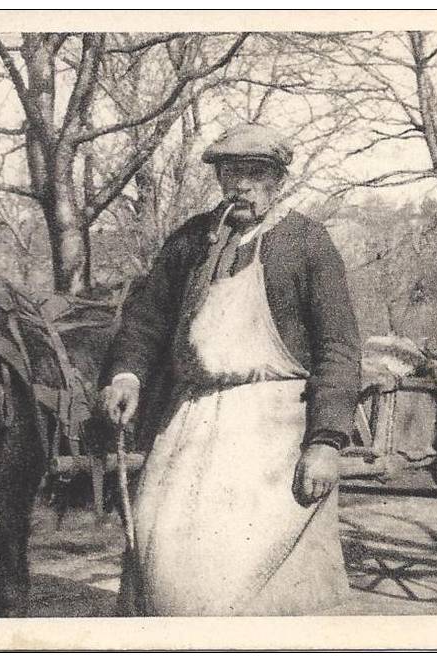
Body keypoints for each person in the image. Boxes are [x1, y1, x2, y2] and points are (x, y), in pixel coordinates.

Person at [100, 123, 361, 616]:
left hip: (276, 424)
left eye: (255, 173)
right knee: (160, 549)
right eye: (231, 172)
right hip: (191, 419)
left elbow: (338, 348)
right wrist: (126, 375)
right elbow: (146, 318)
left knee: (250, 575)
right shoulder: (192, 242)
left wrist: (325, 441)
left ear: (278, 180)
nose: (240, 185)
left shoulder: (306, 243)